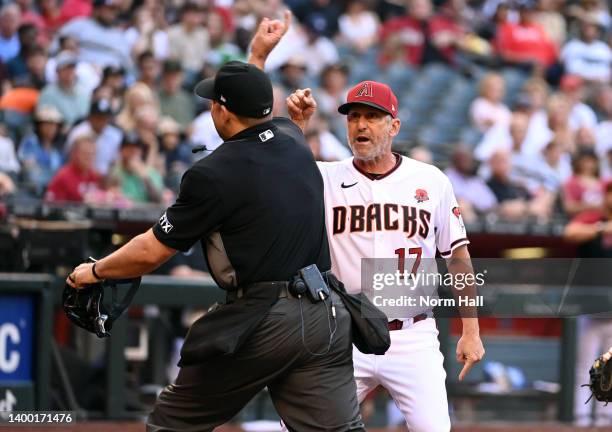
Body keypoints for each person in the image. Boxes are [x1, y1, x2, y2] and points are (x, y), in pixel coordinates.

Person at [66, 12, 365, 432]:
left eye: (215, 101)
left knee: (170, 425)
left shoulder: (212, 173)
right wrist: (257, 56)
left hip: (264, 319)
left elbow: (153, 249)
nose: (211, 107)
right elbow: (259, 114)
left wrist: (94, 270)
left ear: (223, 111)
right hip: (325, 319)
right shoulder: (294, 140)